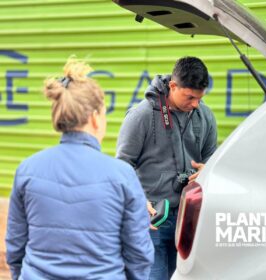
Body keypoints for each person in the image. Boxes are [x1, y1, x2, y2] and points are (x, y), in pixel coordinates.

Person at [6, 58, 154, 280]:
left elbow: (16, 247)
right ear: (95, 117)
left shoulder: (27, 169)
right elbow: (139, 254)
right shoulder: (122, 175)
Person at [116, 57, 217, 280]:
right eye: (190, 97)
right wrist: (137, 200)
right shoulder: (141, 115)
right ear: (173, 86)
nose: (195, 104)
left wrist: (207, 169)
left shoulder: (206, 116)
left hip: (190, 220)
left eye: (200, 98)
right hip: (152, 221)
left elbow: (212, 159)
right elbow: (122, 165)